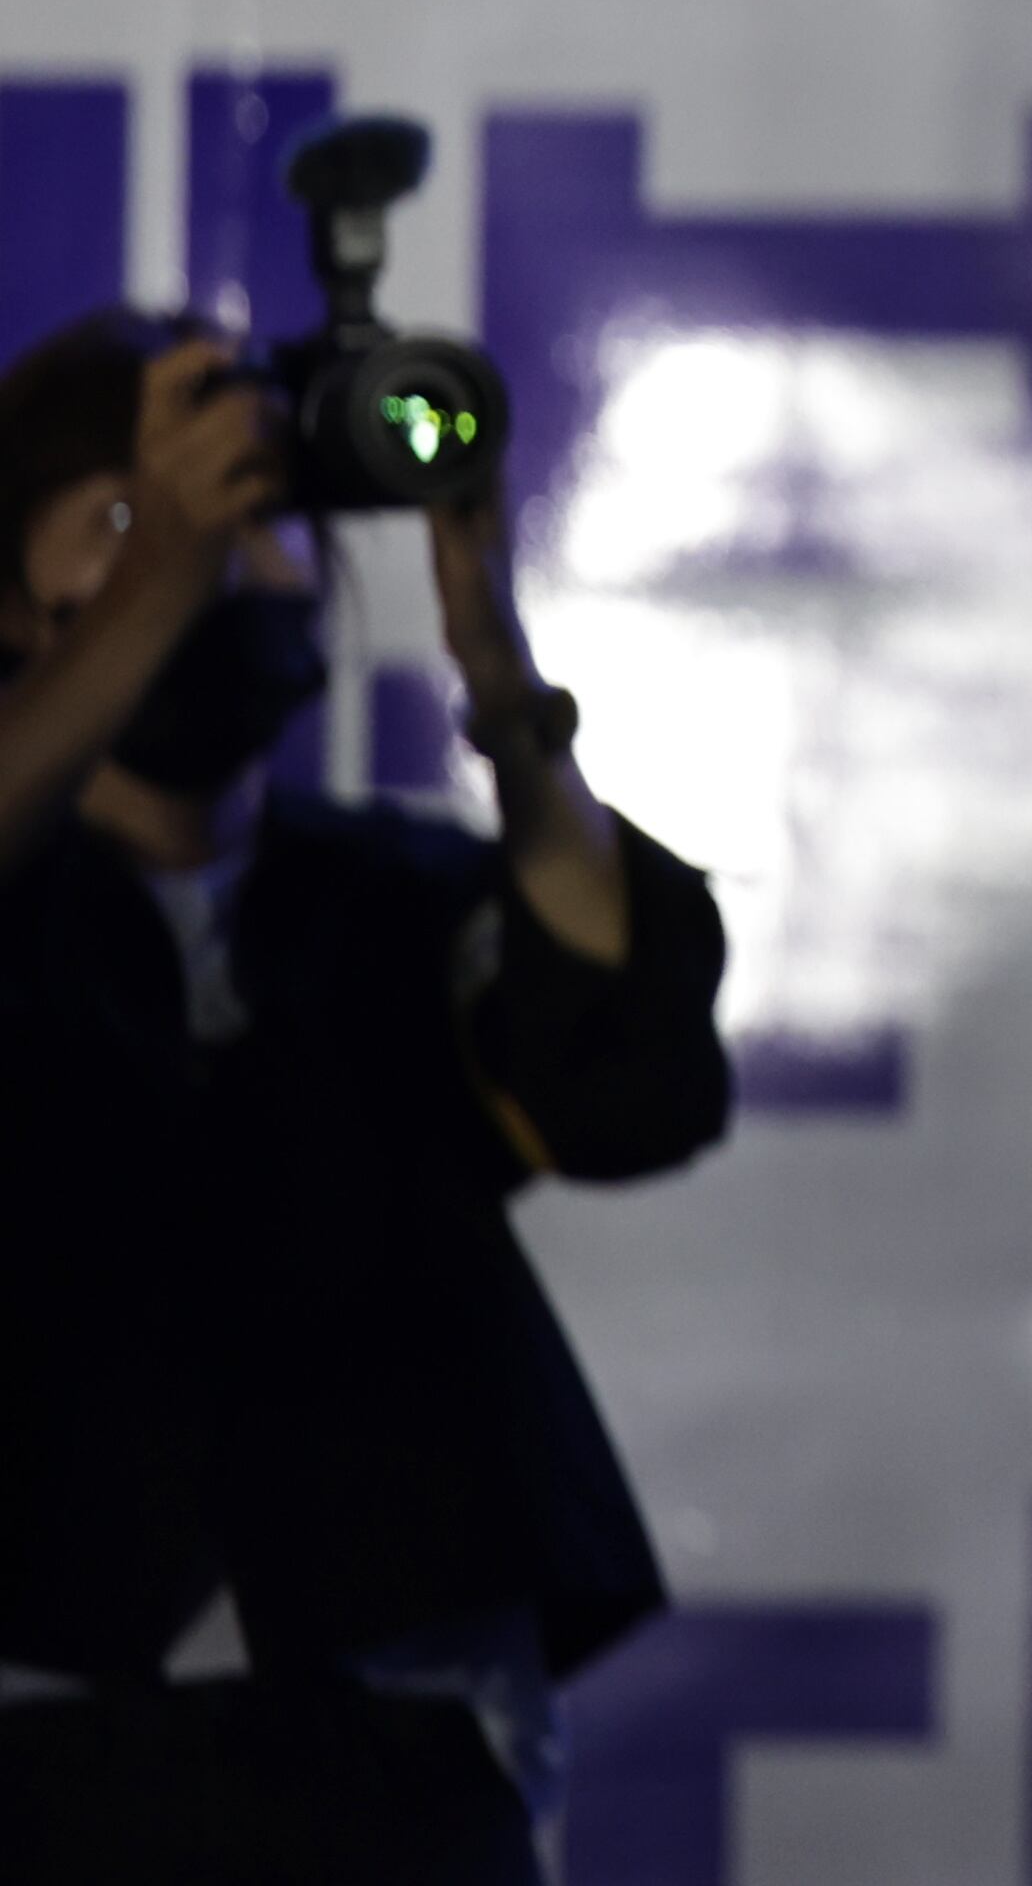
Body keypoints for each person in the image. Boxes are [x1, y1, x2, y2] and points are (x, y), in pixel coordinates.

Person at [0, 318, 733, 1885]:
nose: (205, 563)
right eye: (122, 523)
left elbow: (621, 1076)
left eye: (247, 522)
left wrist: (500, 671)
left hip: (399, 1750)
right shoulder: (31, 902)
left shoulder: (384, 893)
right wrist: (158, 588)